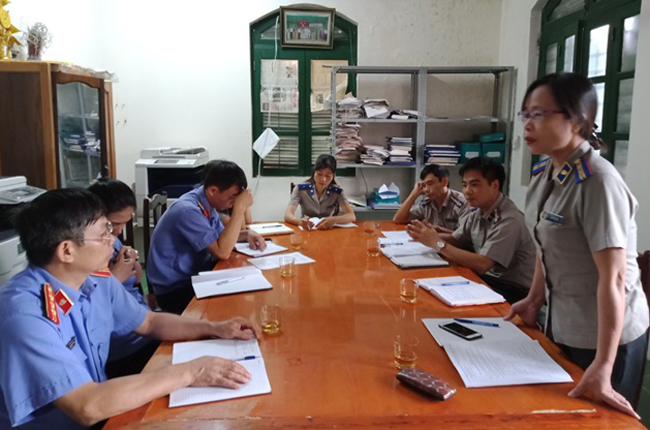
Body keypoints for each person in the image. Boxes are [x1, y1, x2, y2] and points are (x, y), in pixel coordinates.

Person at [0, 188, 260, 429]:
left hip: (102, 407)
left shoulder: (94, 279)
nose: (113, 239)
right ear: (67, 251)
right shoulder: (25, 316)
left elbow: (149, 322)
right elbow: (86, 405)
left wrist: (214, 328)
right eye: (103, 234)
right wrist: (192, 371)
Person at [505, 72, 649, 418]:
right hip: (563, 322)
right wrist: (534, 298)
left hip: (607, 339)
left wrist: (604, 364)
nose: (528, 124)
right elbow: (545, 243)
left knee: (597, 421)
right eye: (526, 114)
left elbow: (615, 278)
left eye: (540, 114)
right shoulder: (546, 174)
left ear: (578, 120)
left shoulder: (598, 183)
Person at [407, 156, 536, 304]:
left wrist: (437, 243)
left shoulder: (509, 220)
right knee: (425, 286)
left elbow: (483, 264)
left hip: (513, 291)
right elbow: (456, 239)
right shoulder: (478, 212)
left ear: (495, 185)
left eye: (474, 185)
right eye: (464, 185)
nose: (467, 191)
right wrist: (426, 235)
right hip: (487, 279)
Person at [147, 160, 266, 314]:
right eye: (232, 198)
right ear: (213, 191)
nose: (233, 203)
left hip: (195, 277)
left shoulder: (206, 203)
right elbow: (222, 251)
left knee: (246, 289)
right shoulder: (188, 211)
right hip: (175, 290)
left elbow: (221, 238)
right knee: (235, 306)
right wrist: (239, 209)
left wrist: (247, 234)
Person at [88, 178, 158, 378]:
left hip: (143, 322)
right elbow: (88, 305)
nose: (119, 231)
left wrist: (133, 266)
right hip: (123, 345)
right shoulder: (88, 253)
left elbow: (135, 282)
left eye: (125, 223)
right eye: (114, 224)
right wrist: (115, 277)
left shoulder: (113, 241)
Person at [284, 154, 356, 230]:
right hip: (307, 230)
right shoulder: (300, 189)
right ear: (314, 172)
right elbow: (287, 215)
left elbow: (351, 216)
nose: (323, 179)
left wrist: (333, 220)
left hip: (327, 229)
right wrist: (300, 222)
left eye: (328, 176)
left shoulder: (337, 191)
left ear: (333, 176)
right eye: (319, 174)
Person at [393, 164, 468, 232]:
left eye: (430, 184)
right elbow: (398, 219)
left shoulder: (461, 203)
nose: (426, 189)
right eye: (424, 185)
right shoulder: (427, 203)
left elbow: (465, 236)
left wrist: (437, 230)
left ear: (445, 182)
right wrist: (414, 193)